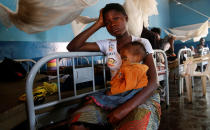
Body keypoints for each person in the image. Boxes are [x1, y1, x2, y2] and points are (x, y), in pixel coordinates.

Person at [67, 3, 160, 130]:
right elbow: (72, 47)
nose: (112, 24)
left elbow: (154, 82)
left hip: (141, 94)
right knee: (77, 123)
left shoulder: (141, 43)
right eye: (107, 22)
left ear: (126, 18)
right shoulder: (107, 44)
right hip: (115, 94)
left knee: (136, 126)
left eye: (116, 18)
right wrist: (98, 24)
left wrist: (124, 109)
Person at [86, 41, 149, 110]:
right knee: (103, 93)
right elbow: (119, 78)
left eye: (124, 58)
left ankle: (99, 102)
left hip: (130, 91)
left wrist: (112, 91)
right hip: (124, 88)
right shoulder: (128, 66)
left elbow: (127, 86)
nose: (122, 60)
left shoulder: (134, 69)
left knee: (109, 97)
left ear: (137, 58)